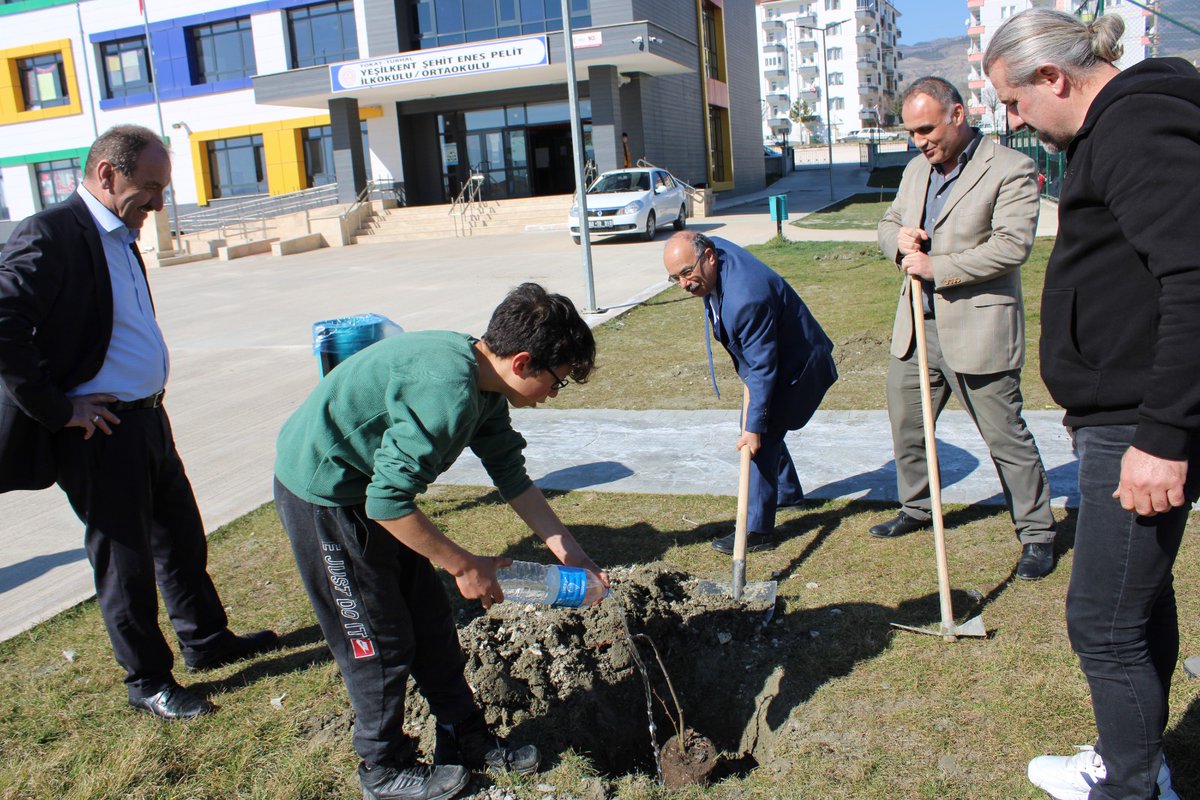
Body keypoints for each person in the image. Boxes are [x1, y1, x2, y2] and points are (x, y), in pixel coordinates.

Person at [273, 282, 607, 800]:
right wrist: (465, 566)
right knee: (378, 638)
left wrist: (570, 551)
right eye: (557, 383)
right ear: (522, 363)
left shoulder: (483, 381)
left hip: (371, 490)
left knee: (429, 621)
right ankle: (382, 768)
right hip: (327, 495)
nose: (554, 396)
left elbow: (510, 474)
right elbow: (386, 504)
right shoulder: (447, 392)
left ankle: (462, 737)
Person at [986, 9, 1200, 799]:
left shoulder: (1137, 127)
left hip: (1143, 427)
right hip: (1125, 416)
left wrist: (1164, 433)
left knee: (1103, 624)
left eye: (1013, 104)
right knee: (1134, 603)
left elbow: (1193, 279)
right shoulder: (1114, 130)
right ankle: (1138, 755)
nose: (1012, 122)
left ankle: (1130, 784)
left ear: (1054, 77)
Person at [0, 125, 278, 721]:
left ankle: (205, 641)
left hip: (148, 417)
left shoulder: (119, 233)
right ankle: (148, 681)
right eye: (149, 188)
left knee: (180, 537)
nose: (158, 203)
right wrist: (57, 407)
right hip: (99, 432)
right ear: (107, 174)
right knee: (125, 561)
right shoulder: (50, 233)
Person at [875, 76, 1058, 581]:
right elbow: (888, 222)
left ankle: (1038, 532)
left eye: (927, 128)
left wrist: (942, 267)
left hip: (978, 330)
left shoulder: (1011, 167)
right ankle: (916, 507)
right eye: (912, 132)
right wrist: (900, 239)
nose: (920, 141)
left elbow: (1013, 245)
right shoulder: (916, 170)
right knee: (908, 427)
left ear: (958, 114)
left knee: (1005, 437)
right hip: (916, 326)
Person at [662, 231, 837, 554]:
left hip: (797, 367)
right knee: (757, 427)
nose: (684, 284)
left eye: (688, 272)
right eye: (675, 277)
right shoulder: (709, 251)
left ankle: (756, 530)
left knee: (758, 438)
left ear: (710, 257)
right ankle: (787, 494)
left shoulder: (747, 299)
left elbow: (762, 371)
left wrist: (753, 429)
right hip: (773, 358)